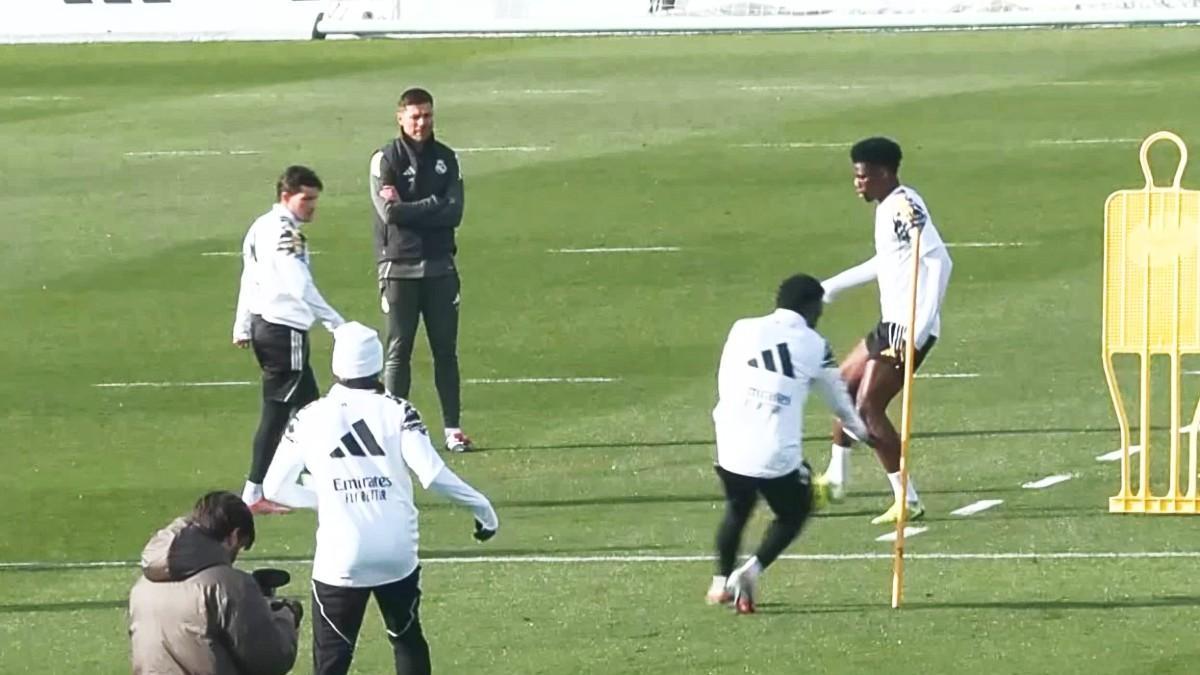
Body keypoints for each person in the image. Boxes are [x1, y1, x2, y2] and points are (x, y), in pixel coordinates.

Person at [263, 321, 499, 675]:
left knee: (332, 657)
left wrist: (324, 498)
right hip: (396, 552)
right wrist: (483, 508)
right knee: (406, 639)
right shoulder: (399, 410)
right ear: (376, 363)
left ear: (337, 366)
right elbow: (432, 474)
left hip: (341, 558)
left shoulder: (309, 417)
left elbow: (273, 488)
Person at [709, 274, 869, 615]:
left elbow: (726, 374)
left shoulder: (742, 328)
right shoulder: (815, 345)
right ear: (811, 308)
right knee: (797, 509)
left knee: (738, 507)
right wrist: (863, 431)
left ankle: (720, 583)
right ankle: (750, 570)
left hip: (729, 446)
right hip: (775, 456)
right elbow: (839, 401)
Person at [818, 137, 953, 524]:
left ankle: (906, 498)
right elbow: (887, 261)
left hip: (907, 328)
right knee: (841, 387)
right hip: (890, 323)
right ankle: (838, 480)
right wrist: (830, 287)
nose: (856, 183)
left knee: (868, 408)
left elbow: (941, 261)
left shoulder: (904, 206)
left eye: (862, 177)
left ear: (883, 173)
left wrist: (920, 327)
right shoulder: (886, 207)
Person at [232, 165, 345, 514]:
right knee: (281, 413)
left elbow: (249, 277)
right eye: (306, 199)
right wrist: (335, 322)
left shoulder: (259, 227)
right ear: (286, 196)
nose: (312, 206)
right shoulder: (285, 233)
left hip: (267, 328)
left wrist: (242, 324)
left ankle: (310, 475)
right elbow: (299, 286)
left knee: (310, 406)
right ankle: (255, 492)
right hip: (285, 333)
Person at [369, 87, 471, 453]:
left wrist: (414, 206)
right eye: (414, 116)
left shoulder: (447, 158)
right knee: (399, 349)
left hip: (441, 266)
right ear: (400, 117)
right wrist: (433, 204)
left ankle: (453, 429)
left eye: (427, 115)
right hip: (398, 267)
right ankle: (393, 432)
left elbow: (455, 212)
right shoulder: (385, 158)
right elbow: (390, 215)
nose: (421, 122)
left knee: (446, 350)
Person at [129, 491, 302, 675]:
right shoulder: (228, 585)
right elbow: (271, 661)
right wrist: (286, 615)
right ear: (234, 536)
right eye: (240, 546)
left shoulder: (142, 586)